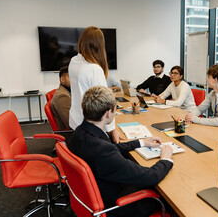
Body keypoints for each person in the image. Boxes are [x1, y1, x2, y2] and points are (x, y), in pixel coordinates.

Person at [68, 86, 174, 217]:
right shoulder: (103, 151)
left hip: (96, 194)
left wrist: (141, 142)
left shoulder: (81, 132)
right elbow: (150, 177)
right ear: (108, 113)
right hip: (118, 205)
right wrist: (165, 159)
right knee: (171, 195)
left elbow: (111, 149)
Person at [68, 26, 122, 143]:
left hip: (76, 120)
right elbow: (105, 103)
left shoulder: (73, 61)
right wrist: (112, 129)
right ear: (99, 45)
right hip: (92, 126)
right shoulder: (94, 69)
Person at [50, 66, 71, 130]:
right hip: (69, 135)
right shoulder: (62, 96)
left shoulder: (66, 92)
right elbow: (70, 124)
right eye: (70, 77)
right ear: (62, 79)